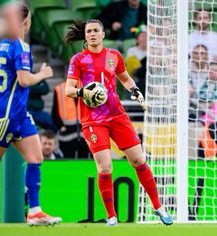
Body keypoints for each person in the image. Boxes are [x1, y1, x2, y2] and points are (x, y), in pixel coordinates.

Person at [64, 19, 173, 226]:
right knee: (105, 168)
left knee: (139, 161)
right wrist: (83, 91)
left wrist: (136, 92)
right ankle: (112, 216)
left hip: (117, 116)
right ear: (85, 36)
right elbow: (69, 89)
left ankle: (158, 207)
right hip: (93, 120)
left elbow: (125, 78)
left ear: (103, 34)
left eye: (96, 30)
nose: (93, 34)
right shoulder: (78, 60)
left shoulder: (114, 56)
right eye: (89, 31)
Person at [0, 2, 61, 226]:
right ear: (26, 21)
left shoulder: (2, 45)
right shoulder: (20, 46)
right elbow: (25, 79)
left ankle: (35, 211)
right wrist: (44, 74)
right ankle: (34, 211)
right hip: (6, 114)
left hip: (18, 113)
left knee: (35, 158)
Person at [51, 81, 91, 158]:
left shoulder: (87, 87)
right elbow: (54, 112)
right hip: (67, 135)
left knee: (84, 164)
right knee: (67, 163)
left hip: (84, 135)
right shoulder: (59, 89)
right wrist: (60, 126)